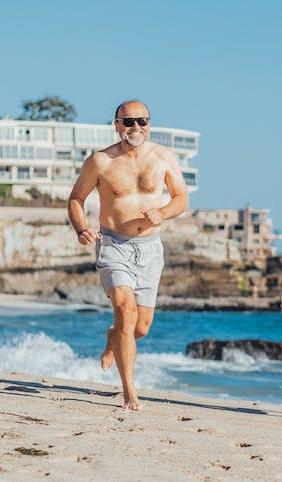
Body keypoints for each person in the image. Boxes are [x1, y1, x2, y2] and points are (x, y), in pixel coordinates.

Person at [66, 100, 189, 410]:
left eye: (142, 121)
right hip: (112, 244)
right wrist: (81, 229)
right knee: (125, 310)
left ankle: (113, 338)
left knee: (140, 327)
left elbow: (181, 199)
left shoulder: (163, 157)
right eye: (129, 122)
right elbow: (76, 199)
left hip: (150, 248)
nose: (136, 128)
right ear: (117, 125)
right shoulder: (100, 162)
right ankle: (129, 391)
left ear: (149, 124)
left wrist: (163, 213)